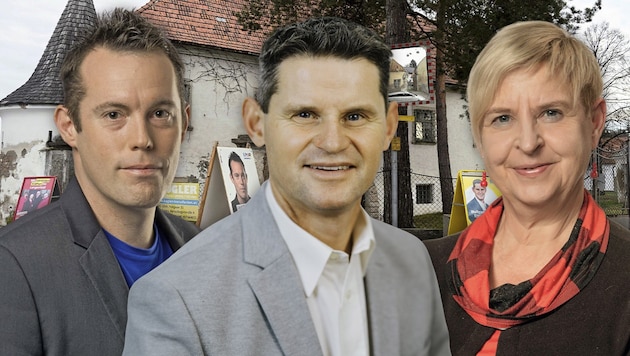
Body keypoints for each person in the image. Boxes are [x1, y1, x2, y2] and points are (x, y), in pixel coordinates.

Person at [123, 17, 450, 356]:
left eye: (355, 116)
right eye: (305, 115)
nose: (333, 142)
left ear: (388, 126)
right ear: (256, 123)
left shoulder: (412, 260)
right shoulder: (176, 299)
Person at [0, 8, 200, 356]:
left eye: (160, 113)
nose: (143, 139)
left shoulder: (203, 250)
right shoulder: (14, 266)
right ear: (69, 126)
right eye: (113, 115)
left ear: (184, 121)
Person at [424, 21, 630, 355]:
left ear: (594, 122)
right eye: (502, 118)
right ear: (479, 137)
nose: (528, 142)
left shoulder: (623, 283)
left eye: (551, 112)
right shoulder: (422, 270)